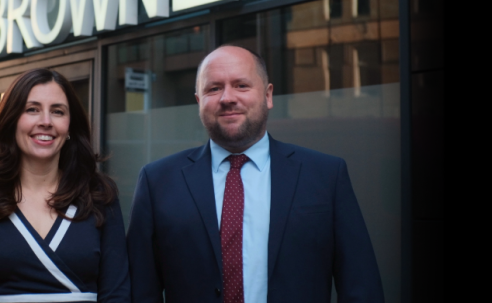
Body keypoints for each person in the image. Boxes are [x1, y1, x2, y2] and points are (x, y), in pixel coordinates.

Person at [126, 45, 383, 303]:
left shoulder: (325, 176)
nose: (227, 98)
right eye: (213, 88)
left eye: (241, 85)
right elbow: (140, 290)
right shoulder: (157, 181)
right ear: (198, 101)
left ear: (268, 95)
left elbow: (360, 286)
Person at [0, 69, 130, 303]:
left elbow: (117, 295)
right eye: (32, 109)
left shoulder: (99, 195)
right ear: (11, 120)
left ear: (70, 125)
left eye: (57, 111)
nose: (45, 122)